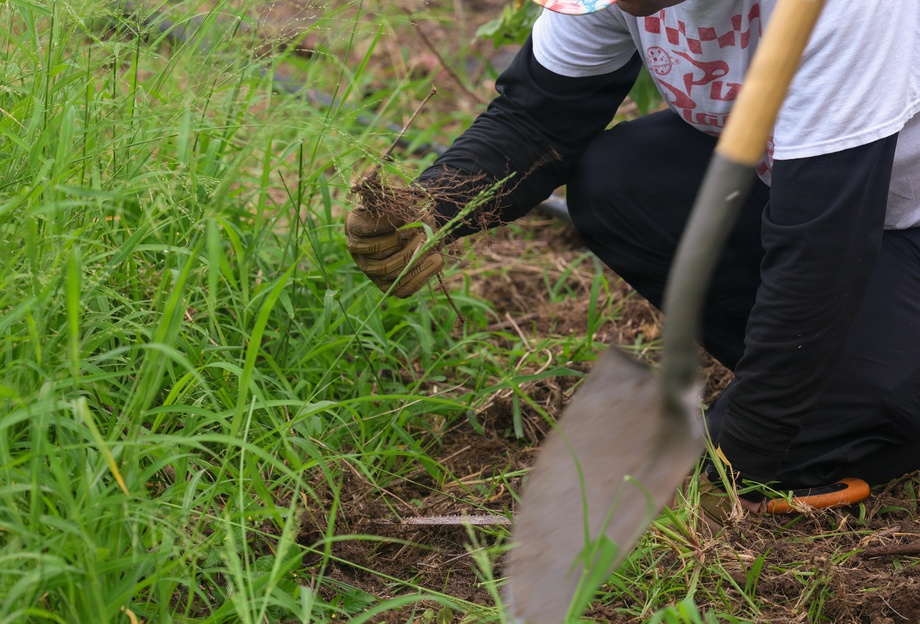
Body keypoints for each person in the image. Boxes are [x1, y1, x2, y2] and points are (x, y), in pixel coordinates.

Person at [345, 0, 920, 511]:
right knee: (621, 177)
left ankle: (850, 398)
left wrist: (749, 446)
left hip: (883, 219)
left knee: (813, 431)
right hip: (822, 204)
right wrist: (432, 206)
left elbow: (820, 242)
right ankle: (834, 377)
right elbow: (537, 119)